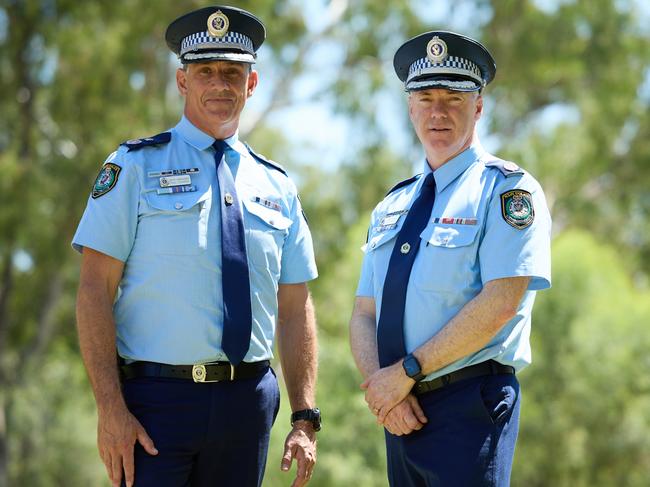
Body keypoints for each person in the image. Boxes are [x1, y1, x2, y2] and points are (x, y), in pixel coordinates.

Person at [73, 6, 321, 487]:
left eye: (232, 72)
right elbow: (93, 290)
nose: (220, 84)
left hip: (247, 404)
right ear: (183, 82)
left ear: (252, 84)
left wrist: (304, 416)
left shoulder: (278, 186)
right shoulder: (134, 167)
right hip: (154, 405)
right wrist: (109, 409)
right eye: (205, 71)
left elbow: (295, 308)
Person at [349, 30, 551, 486]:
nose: (438, 111)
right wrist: (386, 390)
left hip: (469, 406)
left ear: (478, 107)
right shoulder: (393, 205)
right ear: (409, 108)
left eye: (454, 98)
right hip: (400, 412)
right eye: (425, 97)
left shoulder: (506, 190)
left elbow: (502, 302)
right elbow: (364, 313)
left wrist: (407, 371)